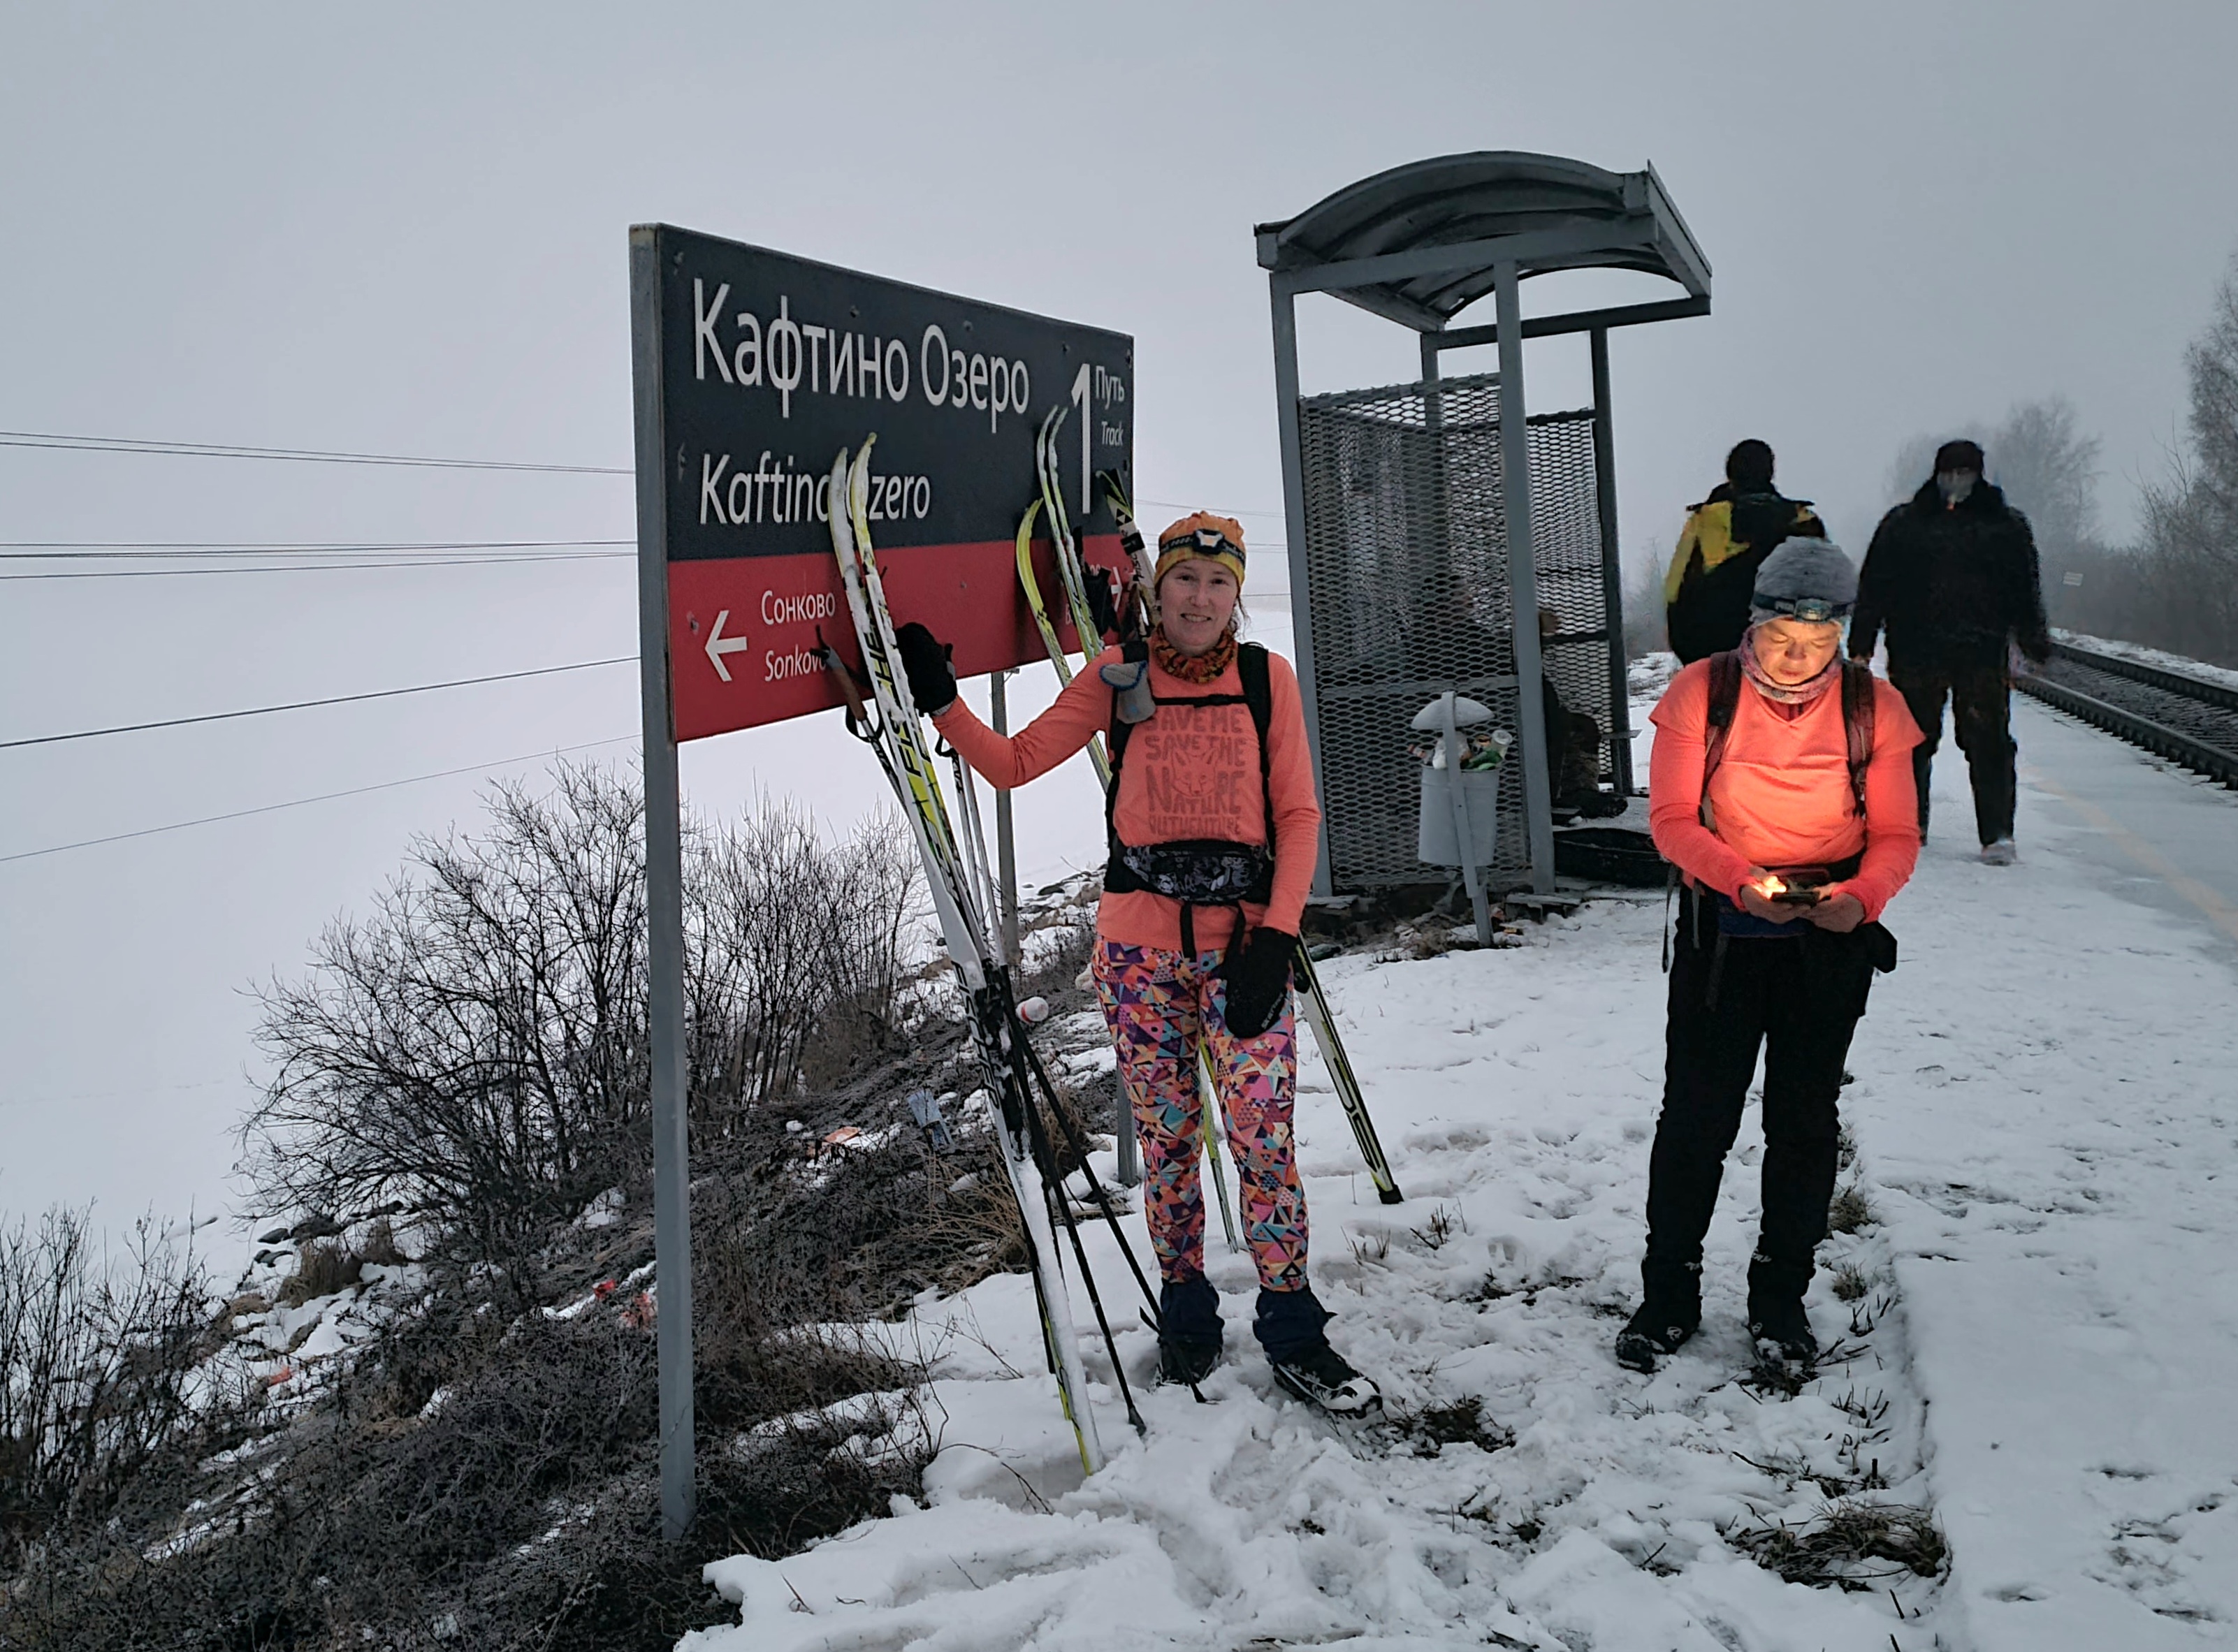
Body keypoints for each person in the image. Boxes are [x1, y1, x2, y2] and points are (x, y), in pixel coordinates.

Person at [891, 513, 1381, 1415]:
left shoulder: (1265, 679)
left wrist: (1276, 937)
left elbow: (1299, 815)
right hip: (1137, 956)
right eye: (1184, 579)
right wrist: (943, 702)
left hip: (1244, 953)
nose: (1199, 598)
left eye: (1217, 583)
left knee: (1262, 1142)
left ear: (1235, 595)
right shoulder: (1118, 675)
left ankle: (1291, 1325)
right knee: (1167, 1144)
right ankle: (1185, 1311)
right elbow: (1014, 763)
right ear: (1159, 589)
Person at [1619, 539, 1921, 1373]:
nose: (1797, 657)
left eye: (1817, 641)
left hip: (1826, 944)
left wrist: (1860, 899)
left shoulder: (1873, 707)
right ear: (1751, 624)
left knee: (1802, 1122)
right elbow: (1671, 821)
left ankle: (1779, 1296)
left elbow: (1896, 833)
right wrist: (1734, 881)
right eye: (1781, 637)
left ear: (1841, 635)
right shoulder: (1701, 692)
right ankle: (1667, 1292)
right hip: (1722, 934)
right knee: (1695, 1116)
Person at [1851, 439, 2052, 864]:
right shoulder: (1906, 524)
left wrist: (2033, 639)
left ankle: (1997, 833)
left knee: (1988, 741)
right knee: (1912, 740)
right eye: (1950, 473)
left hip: (1978, 650)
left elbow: (2024, 587)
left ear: (1979, 475)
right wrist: (1861, 642)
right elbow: (1876, 585)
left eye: (1964, 473)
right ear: (1937, 474)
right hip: (1918, 649)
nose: (1956, 481)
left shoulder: (2004, 527)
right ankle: (1910, 824)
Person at [1664, 439, 1829, 665]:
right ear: (1770, 473)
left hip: (1717, 651)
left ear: (1730, 474)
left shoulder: (1708, 521)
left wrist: (1689, 655)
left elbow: (1675, 589)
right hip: (1788, 656)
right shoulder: (1803, 523)